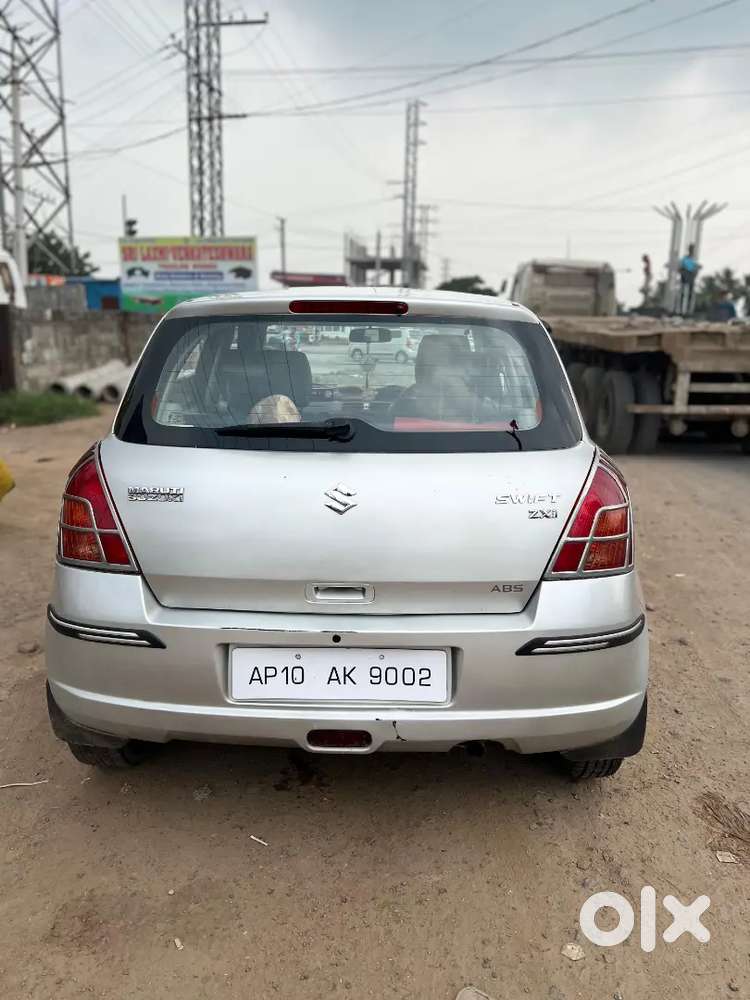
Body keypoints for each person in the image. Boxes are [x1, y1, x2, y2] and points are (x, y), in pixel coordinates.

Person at [678, 243, 700, 315]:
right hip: (685, 276)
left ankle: (688, 310)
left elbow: (696, 269)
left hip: (691, 277)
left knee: (690, 294)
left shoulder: (693, 259)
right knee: (683, 293)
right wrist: (684, 271)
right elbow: (680, 268)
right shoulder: (686, 258)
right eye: (691, 249)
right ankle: (681, 310)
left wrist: (695, 272)